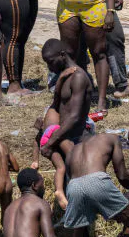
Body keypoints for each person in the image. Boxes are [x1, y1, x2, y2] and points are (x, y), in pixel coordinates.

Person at [61, 129, 129, 237]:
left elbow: (72, 181)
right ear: (92, 131)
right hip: (97, 181)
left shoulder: (72, 151)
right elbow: (122, 175)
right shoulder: (111, 138)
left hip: (74, 186)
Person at [39, 39, 94, 207]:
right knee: (66, 186)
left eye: (51, 62)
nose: (49, 67)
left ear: (62, 55)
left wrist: (52, 140)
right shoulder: (64, 77)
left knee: (76, 188)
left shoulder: (78, 77)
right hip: (64, 137)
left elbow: (75, 116)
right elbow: (56, 106)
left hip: (76, 140)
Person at [1, 168, 85, 237]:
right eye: (42, 183)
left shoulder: (9, 208)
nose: (44, 187)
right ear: (34, 185)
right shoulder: (40, 203)